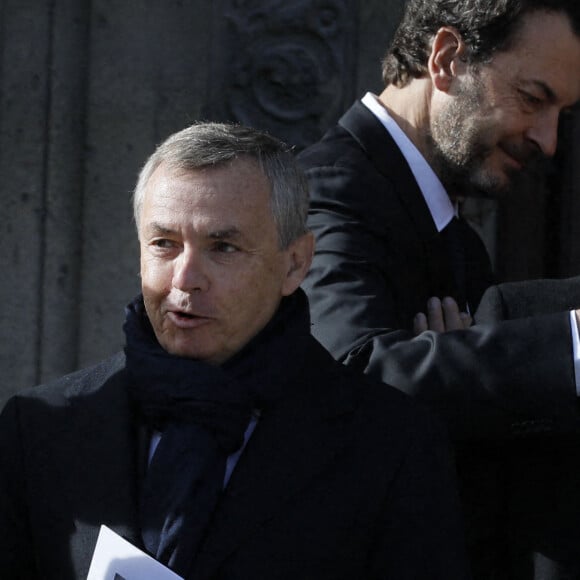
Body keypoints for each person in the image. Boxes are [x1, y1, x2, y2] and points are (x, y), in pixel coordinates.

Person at [0, 123, 469, 579]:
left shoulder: (390, 447)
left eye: (222, 247)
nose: (185, 279)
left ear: (295, 264)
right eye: (164, 244)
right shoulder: (40, 430)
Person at [297, 0, 580, 577]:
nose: (549, 141)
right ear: (447, 58)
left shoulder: (453, 234)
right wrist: (573, 346)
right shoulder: (328, 188)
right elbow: (354, 377)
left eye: (562, 113)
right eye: (533, 98)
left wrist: (451, 367)